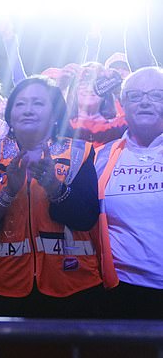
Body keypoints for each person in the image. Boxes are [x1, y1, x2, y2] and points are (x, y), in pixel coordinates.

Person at [0, 76, 106, 318]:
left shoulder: (79, 152)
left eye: (38, 103)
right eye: (20, 104)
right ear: (10, 115)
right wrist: (8, 191)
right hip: (0, 285)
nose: (28, 110)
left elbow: (86, 219)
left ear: (55, 115)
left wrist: (55, 188)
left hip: (71, 286)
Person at [95, 66, 163, 319]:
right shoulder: (102, 157)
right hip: (119, 291)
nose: (145, 102)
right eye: (135, 96)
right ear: (123, 103)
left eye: (156, 95)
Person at [66, 63, 127, 148]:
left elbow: (138, 120)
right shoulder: (62, 124)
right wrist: (61, 85)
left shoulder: (118, 126)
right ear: (73, 91)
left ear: (106, 93)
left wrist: (117, 88)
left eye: (97, 84)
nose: (89, 89)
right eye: (84, 83)